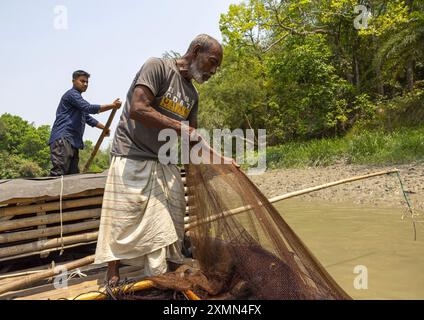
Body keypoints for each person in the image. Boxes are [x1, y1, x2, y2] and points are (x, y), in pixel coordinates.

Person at [94, 34, 236, 285]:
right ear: (195, 50)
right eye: (212, 61)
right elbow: (138, 109)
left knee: (174, 214)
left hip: (165, 159)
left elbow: (194, 140)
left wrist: (223, 160)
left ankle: (166, 266)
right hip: (132, 152)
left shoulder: (192, 95)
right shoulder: (157, 67)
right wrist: (179, 128)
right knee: (123, 215)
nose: (213, 70)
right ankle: (112, 269)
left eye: (217, 66)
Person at [48, 70, 122, 176]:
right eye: (82, 81)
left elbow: (87, 118)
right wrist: (112, 105)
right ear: (73, 81)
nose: (85, 84)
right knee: (59, 173)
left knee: (72, 176)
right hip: (63, 139)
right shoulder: (72, 95)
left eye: (87, 82)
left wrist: (104, 128)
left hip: (72, 141)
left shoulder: (78, 101)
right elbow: (88, 108)